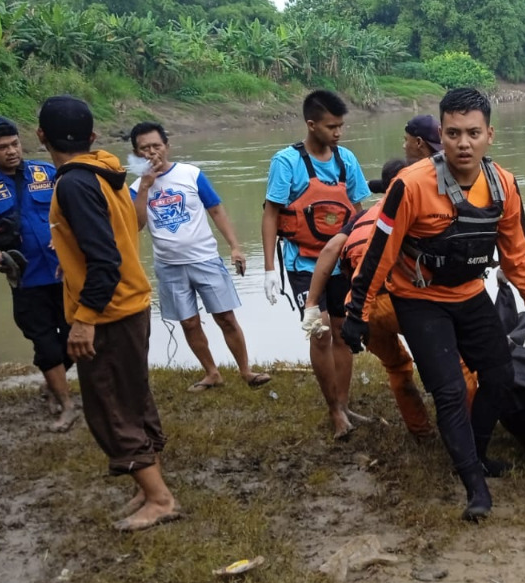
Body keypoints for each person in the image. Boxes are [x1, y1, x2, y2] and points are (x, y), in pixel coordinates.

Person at [341, 88, 525, 521]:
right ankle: (475, 487)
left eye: (473, 133)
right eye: (453, 133)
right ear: (441, 133)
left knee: (500, 376)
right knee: (451, 392)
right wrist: (358, 312)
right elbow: (380, 250)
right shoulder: (411, 185)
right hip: (418, 299)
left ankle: (478, 453)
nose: (463, 143)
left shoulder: (505, 186)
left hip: (470, 294)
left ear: (490, 134)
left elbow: (515, 253)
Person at [37, 95, 179, 530]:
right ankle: (146, 485)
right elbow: (118, 233)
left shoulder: (74, 183)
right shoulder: (106, 169)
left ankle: (159, 499)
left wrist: (83, 321)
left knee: (109, 404)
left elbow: (103, 261)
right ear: (93, 136)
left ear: (41, 137)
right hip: (131, 302)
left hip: (108, 312)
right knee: (132, 393)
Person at [303, 159, 477, 438]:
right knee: (460, 365)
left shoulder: (361, 217)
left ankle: (421, 432)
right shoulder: (417, 209)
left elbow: (330, 250)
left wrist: (312, 304)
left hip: (361, 309)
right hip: (403, 299)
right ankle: (468, 431)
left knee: (396, 367)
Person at [128, 122, 270, 392]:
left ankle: (246, 371)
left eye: (156, 146)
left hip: (205, 259)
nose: (152, 153)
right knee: (189, 322)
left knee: (226, 317)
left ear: (167, 146)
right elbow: (135, 225)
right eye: (144, 149)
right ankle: (212, 373)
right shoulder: (136, 188)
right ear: (136, 154)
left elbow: (216, 210)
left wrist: (235, 247)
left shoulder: (191, 174)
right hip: (169, 266)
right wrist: (146, 186)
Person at [261, 90, 369, 439]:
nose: (338, 133)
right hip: (303, 263)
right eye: (331, 126)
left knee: (342, 332)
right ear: (311, 124)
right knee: (319, 331)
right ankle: (334, 411)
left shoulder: (346, 160)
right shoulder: (286, 162)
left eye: (341, 126)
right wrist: (267, 270)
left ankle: (344, 401)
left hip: (342, 262)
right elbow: (271, 214)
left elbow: (361, 210)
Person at [0, 116, 79, 432]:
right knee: (45, 344)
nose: (11, 151)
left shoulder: (48, 172)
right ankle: (66, 406)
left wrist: (65, 236)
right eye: (1, 147)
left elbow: (71, 209)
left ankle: (51, 384)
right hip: (26, 281)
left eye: (14, 144)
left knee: (74, 340)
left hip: (64, 274)